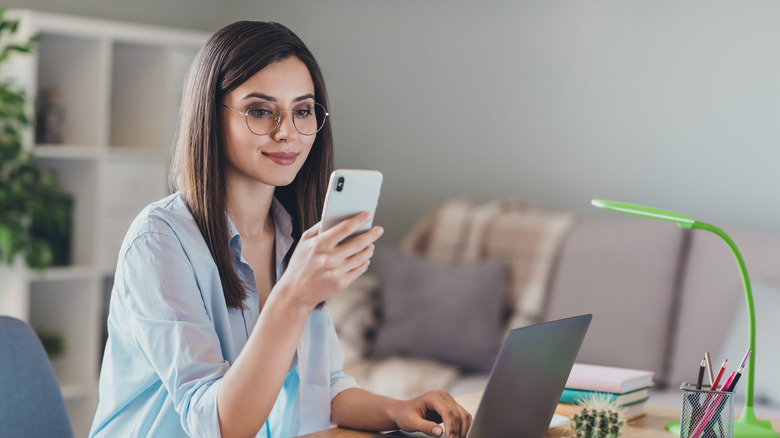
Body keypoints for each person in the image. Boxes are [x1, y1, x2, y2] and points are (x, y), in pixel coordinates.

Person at [89, 20, 471, 438]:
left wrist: (399, 411)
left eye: (302, 110)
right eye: (260, 110)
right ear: (210, 116)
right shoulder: (159, 242)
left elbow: (320, 388)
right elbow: (217, 425)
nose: (287, 131)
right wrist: (294, 295)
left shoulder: (292, 237)